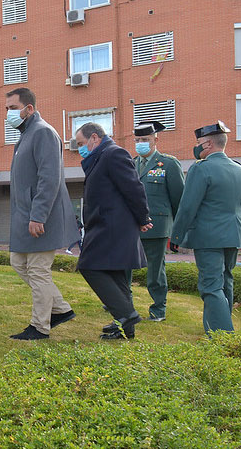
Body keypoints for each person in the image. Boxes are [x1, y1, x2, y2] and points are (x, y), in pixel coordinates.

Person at [5, 87, 80, 340]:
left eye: (13, 108)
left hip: (41, 218)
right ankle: (60, 309)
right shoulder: (27, 134)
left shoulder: (43, 132)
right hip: (27, 217)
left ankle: (39, 326)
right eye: (7, 109)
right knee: (18, 263)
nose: (8, 114)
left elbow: (49, 178)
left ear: (29, 109)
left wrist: (38, 216)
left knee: (38, 271)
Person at [171, 121, 241, 334]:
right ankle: (217, 327)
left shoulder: (201, 168)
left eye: (198, 142)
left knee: (210, 285)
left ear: (208, 144)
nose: (196, 146)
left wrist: (176, 236)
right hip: (234, 235)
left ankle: (223, 335)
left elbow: (187, 207)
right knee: (225, 281)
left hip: (208, 237)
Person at [75, 123, 152, 340]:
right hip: (108, 225)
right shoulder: (101, 157)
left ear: (94, 138)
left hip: (111, 226)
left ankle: (126, 314)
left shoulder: (113, 154)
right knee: (116, 274)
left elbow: (134, 188)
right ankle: (125, 328)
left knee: (88, 266)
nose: (80, 149)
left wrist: (143, 217)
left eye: (81, 143)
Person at [132, 121, 185, 321]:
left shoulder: (168, 164)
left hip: (157, 227)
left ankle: (158, 309)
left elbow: (178, 199)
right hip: (132, 227)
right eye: (137, 140)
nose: (140, 143)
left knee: (155, 272)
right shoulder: (131, 163)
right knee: (124, 267)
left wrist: (177, 230)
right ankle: (124, 306)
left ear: (155, 139)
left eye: (145, 139)